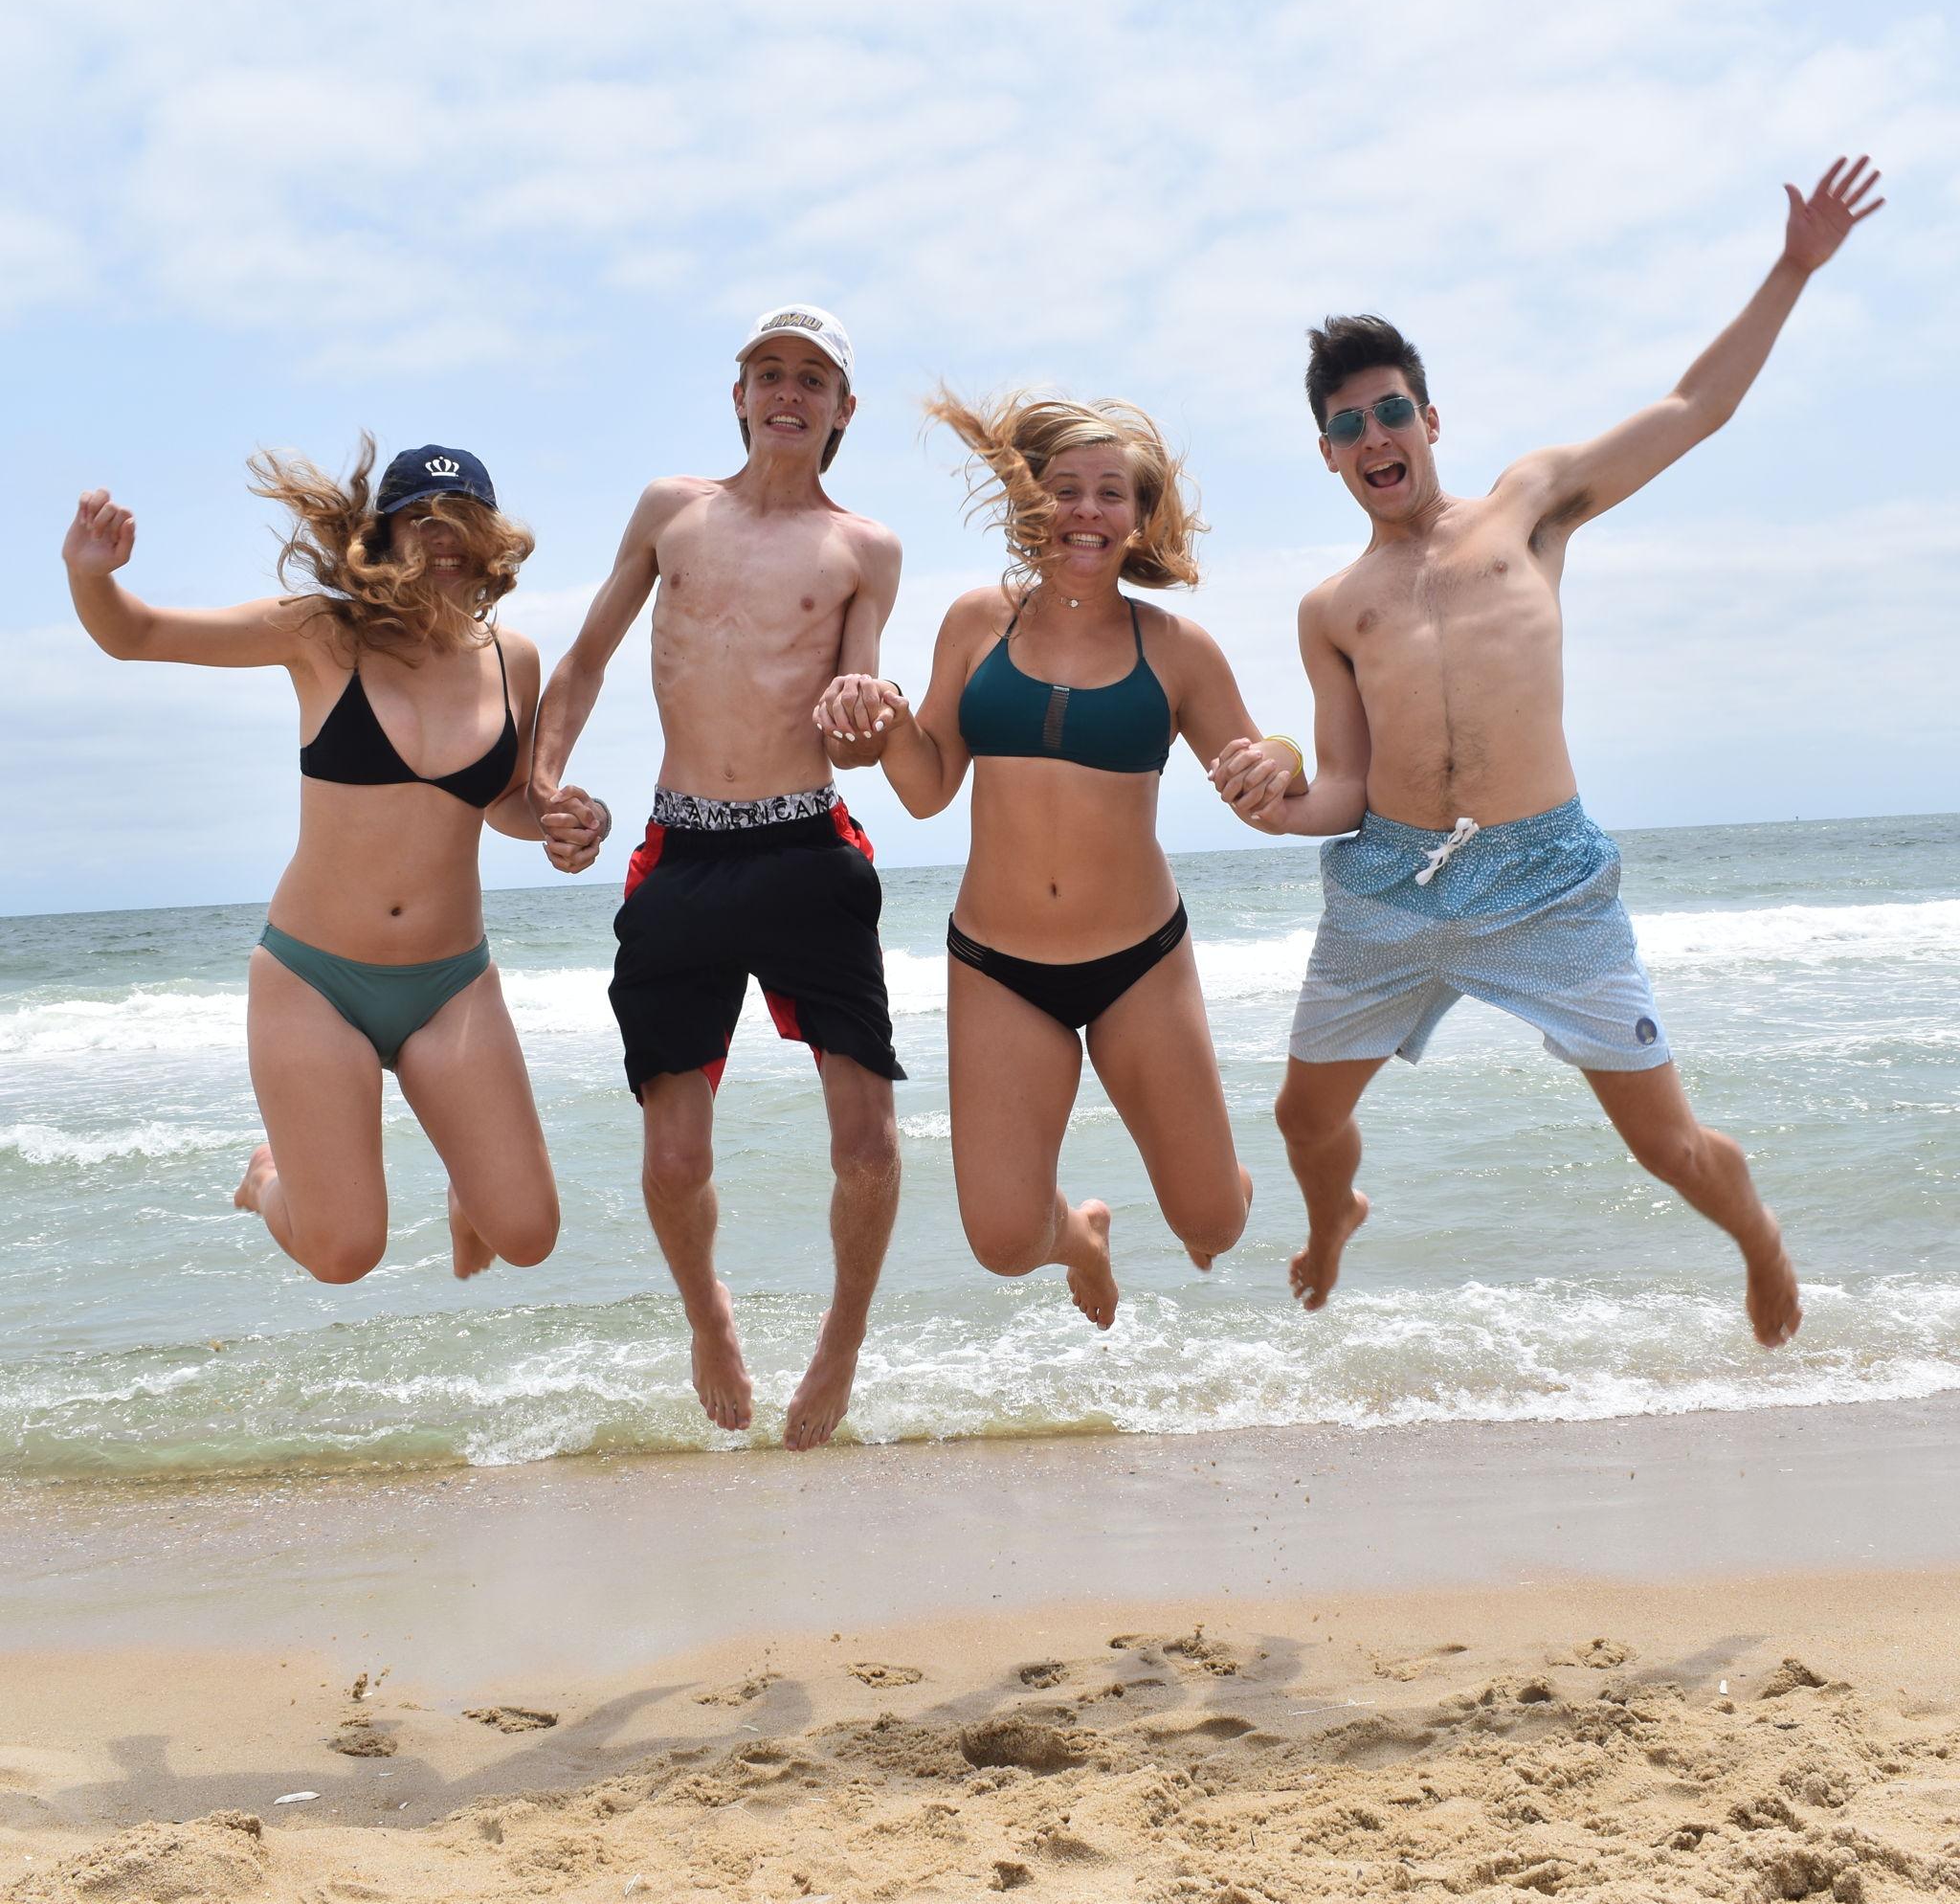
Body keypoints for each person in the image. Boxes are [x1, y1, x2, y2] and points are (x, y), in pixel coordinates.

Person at [1211, 155, 1885, 1348]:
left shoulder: (1526, 505)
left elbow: (1692, 409)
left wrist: (1789, 270)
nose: (1373, 435)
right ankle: (1332, 1222)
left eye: (1389, 411)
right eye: (1345, 424)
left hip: (1544, 879)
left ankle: (1758, 1238)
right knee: (1301, 1120)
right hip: (1389, 883)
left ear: (1429, 420)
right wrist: (1275, 804)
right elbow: (1343, 793)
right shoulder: (1330, 607)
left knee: (1665, 1147)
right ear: (1325, 454)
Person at [816, 391, 1306, 1329]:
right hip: (1000, 969)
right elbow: (926, 788)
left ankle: (1214, 1173)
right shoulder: (974, 622)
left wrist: (1283, 755)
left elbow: (1268, 768)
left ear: (1138, 515)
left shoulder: (1176, 649)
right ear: (1029, 504)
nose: (1088, 510)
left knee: (1214, 1222)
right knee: (1002, 1242)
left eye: (1110, 493)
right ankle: (1080, 1237)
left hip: (1139, 965)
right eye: (1066, 489)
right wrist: (879, 718)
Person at [61, 439, 572, 1284]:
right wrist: (93, 576)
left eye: (463, 520)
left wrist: (557, 820)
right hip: (315, 981)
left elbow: (504, 800)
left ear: (491, 537)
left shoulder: (514, 658)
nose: (444, 538)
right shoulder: (322, 635)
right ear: (384, 537)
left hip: (451, 984)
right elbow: (138, 633)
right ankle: (266, 1175)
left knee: (528, 1233)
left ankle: (466, 1186)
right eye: (421, 520)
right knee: (343, 1253)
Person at [529, 304, 904, 1453]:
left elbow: (853, 719)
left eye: (812, 378)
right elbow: (587, 658)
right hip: (681, 850)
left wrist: (863, 715)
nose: (788, 391)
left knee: (868, 1144)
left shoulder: (865, 548)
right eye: (768, 372)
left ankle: (841, 1339)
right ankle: (709, 1318)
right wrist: (545, 786)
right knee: (674, 1152)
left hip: (806, 846)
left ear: (843, 409)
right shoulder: (671, 511)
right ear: (737, 393)